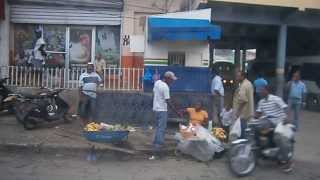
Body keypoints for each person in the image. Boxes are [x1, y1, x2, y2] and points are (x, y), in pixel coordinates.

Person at [255, 85, 293, 172]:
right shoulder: (261, 102)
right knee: (254, 129)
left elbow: (285, 108)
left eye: (262, 90)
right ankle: (259, 153)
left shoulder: (275, 99)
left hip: (279, 121)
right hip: (268, 122)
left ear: (267, 91)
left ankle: (288, 162)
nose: (260, 92)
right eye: (260, 90)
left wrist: (287, 117)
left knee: (278, 137)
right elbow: (258, 114)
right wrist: (253, 117)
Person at [150, 71, 178, 160]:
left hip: (155, 109)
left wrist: (156, 102)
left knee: (158, 128)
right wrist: (176, 111)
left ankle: (155, 145)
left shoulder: (157, 82)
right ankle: (157, 150)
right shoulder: (165, 87)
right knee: (161, 129)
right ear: (168, 78)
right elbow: (168, 101)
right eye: (172, 80)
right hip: (162, 110)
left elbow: (153, 93)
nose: (172, 82)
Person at [233, 71, 254, 139]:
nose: (236, 78)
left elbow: (243, 100)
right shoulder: (249, 83)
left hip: (243, 114)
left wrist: (238, 112)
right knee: (245, 133)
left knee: (241, 135)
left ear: (242, 77)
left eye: (238, 76)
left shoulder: (243, 86)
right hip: (248, 112)